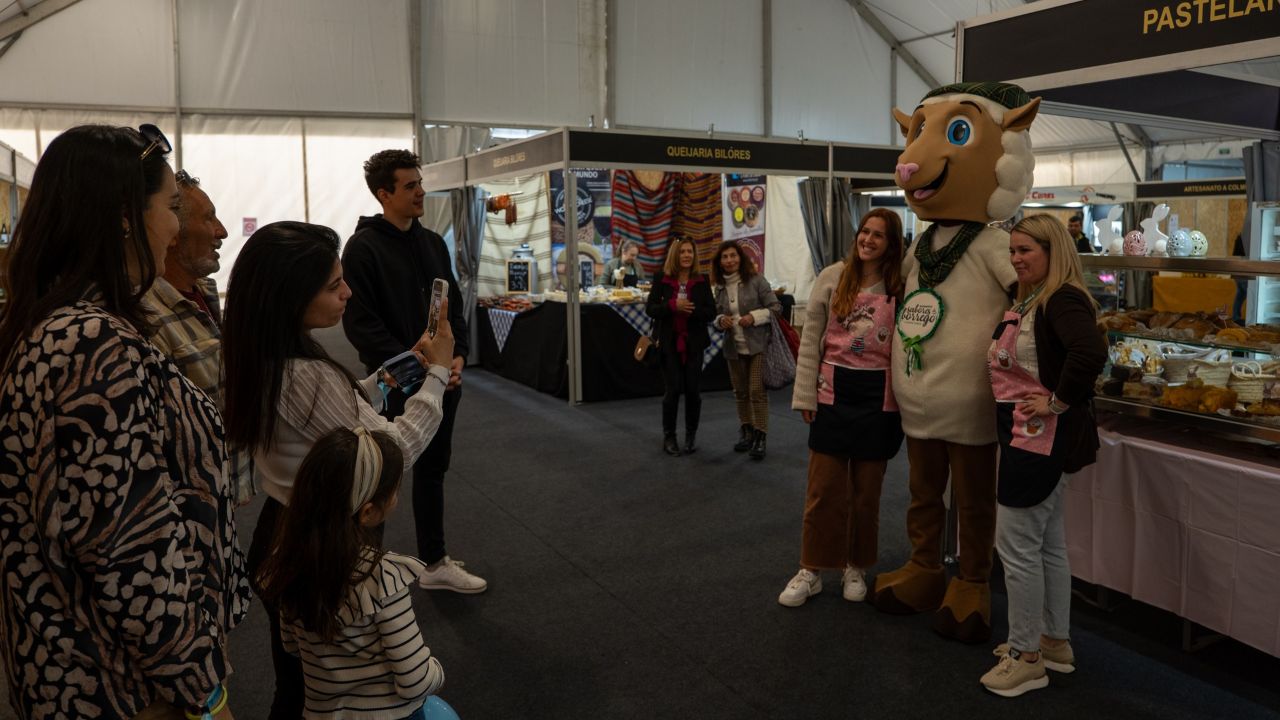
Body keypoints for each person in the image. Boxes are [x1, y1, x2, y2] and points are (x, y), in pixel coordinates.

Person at [0, 124, 249, 719]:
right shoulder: (88, 343)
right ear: (123, 218)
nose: (175, 228)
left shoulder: (64, 326)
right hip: (126, 687)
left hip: (92, 671)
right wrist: (201, 684)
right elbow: (128, 552)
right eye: (170, 207)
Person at [223, 221, 455, 718]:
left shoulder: (263, 356)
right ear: (290, 296)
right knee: (322, 690)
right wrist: (437, 374)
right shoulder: (306, 375)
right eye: (334, 285)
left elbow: (334, 414)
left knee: (303, 679)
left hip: (286, 531)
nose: (348, 292)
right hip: (322, 540)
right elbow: (391, 452)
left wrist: (401, 370)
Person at [342, 150, 487, 597]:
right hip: (391, 387)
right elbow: (361, 326)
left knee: (432, 471)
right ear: (384, 194)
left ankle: (434, 562)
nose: (421, 191)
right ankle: (362, 576)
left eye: (420, 183)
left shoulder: (433, 243)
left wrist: (456, 355)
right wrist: (421, 366)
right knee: (378, 477)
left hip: (444, 382)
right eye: (410, 186)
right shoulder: (362, 249)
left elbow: (453, 306)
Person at [980, 214, 1105, 697]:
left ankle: (1025, 656)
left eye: (1025, 250)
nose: (1016, 259)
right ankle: (1053, 641)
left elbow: (1089, 353)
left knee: (1016, 548)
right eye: (1012, 250)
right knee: (1047, 544)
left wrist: (1056, 401)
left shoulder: (1061, 298)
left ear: (1053, 251)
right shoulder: (1033, 298)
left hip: (1038, 440)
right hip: (1032, 438)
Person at [257, 427, 448, 719]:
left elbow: (291, 645)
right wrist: (436, 670)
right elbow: (414, 681)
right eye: (394, 491)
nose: (395, 497)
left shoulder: (287, 567)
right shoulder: (382, 578)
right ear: (368, 512)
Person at [782, 209, 906, 607]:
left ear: (892, 243)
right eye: (865, 232)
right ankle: (811, 569)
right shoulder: (832, 276)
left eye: (879, 235)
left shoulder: (901, 284)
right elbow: (810, 340)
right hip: (832, 393)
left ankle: (856, 565)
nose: (868, 240)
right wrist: (805, 395)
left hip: (879, 400)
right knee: (823, 491)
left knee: (866, 495)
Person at [141, 169, 254, 505]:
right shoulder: (148, 318)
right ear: (172, 231)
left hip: (221, 494)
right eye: (209, 218)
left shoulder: (204, 292)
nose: (222, 231)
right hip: (188, 503)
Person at [710, 240, 780, 458]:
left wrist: (754, 317)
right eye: (725, 257)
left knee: (756, 391)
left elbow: (776, 308)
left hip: (758, 345)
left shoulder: (757, 280)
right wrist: (720, 320)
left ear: (741, 257)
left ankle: (761, 435)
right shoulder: (718, 287)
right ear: (719, 262)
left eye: (733, 255)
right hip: (733, 348)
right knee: (740, 392)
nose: (729, 260)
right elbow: (714, 315)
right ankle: (746, 431)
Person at [646, 236, 715, 455]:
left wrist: (690, 310)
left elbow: (711, 313)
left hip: (694, 344)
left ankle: (690, 436)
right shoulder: (662, 278)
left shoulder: (702, 280)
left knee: (693, 391)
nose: (686, 255)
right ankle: (669, 437)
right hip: (669, 344)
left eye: (690, 252)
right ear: (675, 255)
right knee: (673, 390)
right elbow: (650, 309)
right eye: (683, 251)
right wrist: (672, 306)